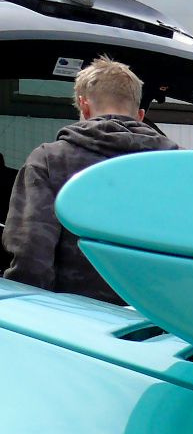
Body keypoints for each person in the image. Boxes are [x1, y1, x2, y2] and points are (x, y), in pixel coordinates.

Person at [3, 56, 178, 305]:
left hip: (77, 327)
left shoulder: (50, 160)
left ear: (84, 107)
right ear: (140, 115)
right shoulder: (177, 166)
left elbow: (32, 258)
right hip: (159, 327)